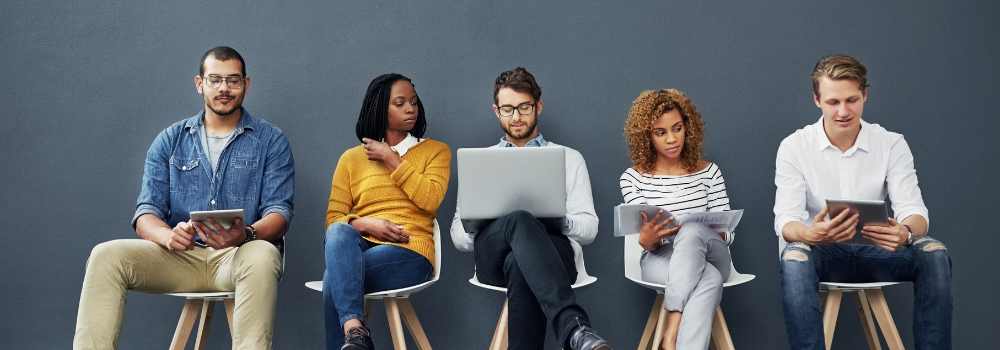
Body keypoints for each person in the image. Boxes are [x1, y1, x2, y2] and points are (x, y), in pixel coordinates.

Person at [73, 46, 294, 350]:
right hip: (180, 258)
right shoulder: (170, 140)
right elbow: (145, 213)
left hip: (238, 258)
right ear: (199, 83)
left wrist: (247, 234)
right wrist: (167, 236)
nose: (224, 89)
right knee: (105, 256)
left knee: (264, 254)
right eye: (215, 79)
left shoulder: (271, 140)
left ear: (246, 84)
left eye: (233, 80)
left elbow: (280, 214)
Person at [774, 54, 952, 350]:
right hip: (821, 253)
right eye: (833, 102)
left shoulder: (891, 143)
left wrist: (905, 232)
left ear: (864, 95)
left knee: (934, 252)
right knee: (794, 257)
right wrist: (808, 234)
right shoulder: (795, 147)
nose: (843, 111)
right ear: (817, 100)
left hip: (878, 252)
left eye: (852, 100)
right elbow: (786, 220)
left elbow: (914, 210)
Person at [450, 67, 611, 350]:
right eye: (507, 109)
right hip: (493, 258)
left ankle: (572, 330)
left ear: (538, 106)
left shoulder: (569, 159)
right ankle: (574, 329)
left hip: (554, 256)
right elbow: (458, 238)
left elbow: (590, 229)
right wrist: (481, 222)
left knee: (520, 261)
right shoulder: (481, 161)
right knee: (519, 220)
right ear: (496, 111)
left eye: (524, 107)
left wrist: (557, 221)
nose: (516, 117)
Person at [323, 73, 450, 350]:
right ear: (381, 108)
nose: (410, 109)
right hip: (363, 245)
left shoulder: (436, 152)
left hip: (410, 250)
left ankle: (355, 337)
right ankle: (356, 332)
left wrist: (392, 159)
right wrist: (366, 225)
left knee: (334, 277)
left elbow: (430, 199)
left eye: (414, 102)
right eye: (400, 103)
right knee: (338, 232)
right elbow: (333, 221)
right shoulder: (351, 159)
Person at [619, 89, 734, 350]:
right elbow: (646, 236)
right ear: (647, 137)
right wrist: (647, 241)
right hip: (661, 258)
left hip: (711, 253)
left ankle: (671, 333)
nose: (672, 139)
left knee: (692, 230)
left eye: (677, 128)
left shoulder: (710, 173)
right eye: (660, 133)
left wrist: (710, 232)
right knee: (710, 279)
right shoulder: (633, 178)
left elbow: (729, 235)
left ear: (688, 127)